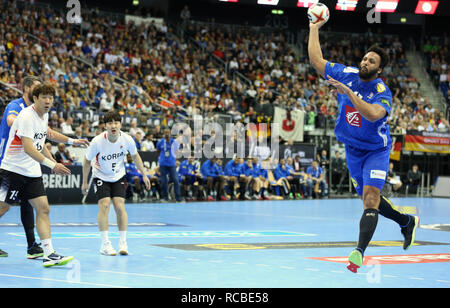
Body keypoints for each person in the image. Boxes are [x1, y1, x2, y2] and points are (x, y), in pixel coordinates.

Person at [308, 19, 419, 273]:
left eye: (371, 62)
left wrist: (348, 93)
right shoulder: (347, 74)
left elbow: (372, 114)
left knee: (370, 199)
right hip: (352, 150)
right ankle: (406, 221)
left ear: (379, 70)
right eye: (365, 58)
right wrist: (314, 27)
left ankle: (358, 252)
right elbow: (317, 60)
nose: (365, 62)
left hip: (375, 151)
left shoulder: (382, 91)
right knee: (374, 201)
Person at [0, 76, 88, 259]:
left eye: (50, 98)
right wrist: (51, 165)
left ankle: (49, 253)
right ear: (35, 98)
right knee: (2, 208)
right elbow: (28, 147)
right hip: (13, 170)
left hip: (32, 172)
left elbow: (43, 138)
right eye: (44, 97)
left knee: (43, 208)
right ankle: (35, 248)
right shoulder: (25, 115)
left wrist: (71, 142)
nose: (48, 101)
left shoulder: (44, 116)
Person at [82, 111, 150, 256]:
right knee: (105, 205)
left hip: (118, 175)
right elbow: (87, 161)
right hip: (100, 175)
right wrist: (84, 182)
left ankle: (123, 242)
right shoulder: (97, 141)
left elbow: (135, 156)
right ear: (105, 126)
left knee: (119, 206)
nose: (113, 126)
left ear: (120, 124)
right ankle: (105, 244)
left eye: (116, 122)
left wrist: (144, 174)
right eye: (110, 123)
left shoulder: (127, 139)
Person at [156, 128, 182, 202]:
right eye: (165, 132)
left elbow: (178, 151)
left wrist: (175, 159)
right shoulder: (160, 142)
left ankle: (178, 198)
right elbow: (157, 151)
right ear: (163, 133)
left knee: (176, 180)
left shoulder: (174, 142)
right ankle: (165, 197)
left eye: (168, 132)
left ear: (170, 133)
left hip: (172, 163)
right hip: (163, 163)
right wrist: (160, 159)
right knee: (163, 181)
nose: (167, 134)